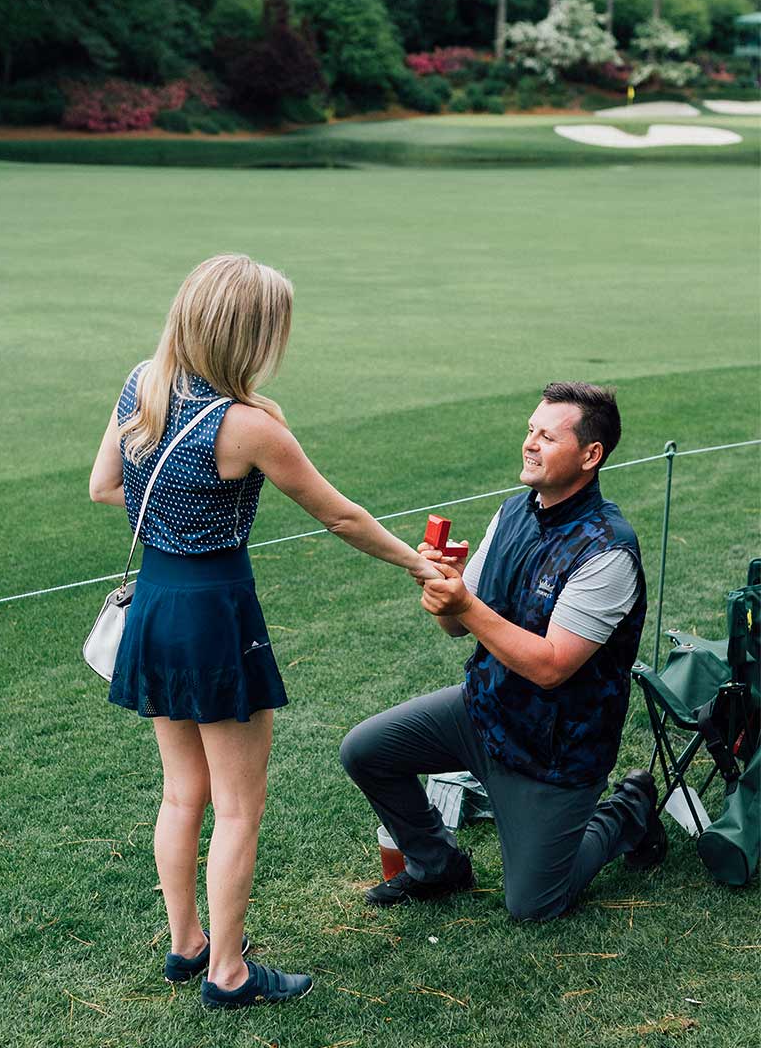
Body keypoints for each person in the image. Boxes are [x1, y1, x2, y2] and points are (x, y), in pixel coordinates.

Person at [89, 253, 438, 1009]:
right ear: (250, 335)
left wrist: (175, 513)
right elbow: (341, 515)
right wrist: (418, 564)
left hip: (153, 602)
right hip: (215, 614)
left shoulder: (140, 382)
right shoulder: (248, 425)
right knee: (240, 805)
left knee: (182, 793)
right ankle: (229, 972)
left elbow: (104, 486)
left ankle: (187, 945)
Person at [341, 382, 666, 922]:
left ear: (591, 455)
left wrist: (464, 603)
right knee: (365, 750)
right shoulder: (512, 513)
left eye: (548, 436)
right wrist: (445, 591)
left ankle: (627, 811)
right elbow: (455, 629)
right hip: (483, 710)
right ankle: (434, 865)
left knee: (535, 904)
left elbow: (551, 667)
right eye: (529, 430)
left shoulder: (609, 550)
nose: (530, 444)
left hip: (557, 749)